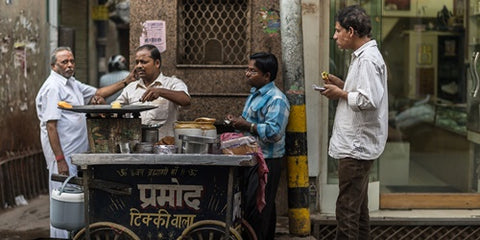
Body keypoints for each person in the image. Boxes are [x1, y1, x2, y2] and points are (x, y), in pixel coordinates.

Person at [35, 46, 136, 238]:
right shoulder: (53, 87)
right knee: (62, 199)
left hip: (75, 154)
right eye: (64, 62)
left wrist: (126, 81)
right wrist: (60, 159)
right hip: (63, 155)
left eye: (71, 61)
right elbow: (51, 126)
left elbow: (98, 92)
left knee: (74, 199)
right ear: (53, 66)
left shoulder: (71, 83)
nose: (70, 65)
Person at [318, 5, 388, 240]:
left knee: (347, 210)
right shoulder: (363, 57)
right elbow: (363, 92)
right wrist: (343, 85)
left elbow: (369, 100)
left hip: (356, 148)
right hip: (357, 146)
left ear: (351, 31)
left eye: (338, 31)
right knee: (357, 210)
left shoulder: (367, 59)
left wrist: (340, 93)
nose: (335, 36)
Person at [225, 52, 290, 240]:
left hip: (267, 162)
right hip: (252, 159)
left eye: (252, 71)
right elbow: (249, 121)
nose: (247, 73)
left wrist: (248, 126)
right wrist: (237, 122)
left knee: (259, 211)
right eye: (247, 69)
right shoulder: (255, 94)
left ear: (267, 75)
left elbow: (274, 133)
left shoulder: (277, 99)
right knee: (257, 208)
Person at [115, 44, 191, 138]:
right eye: (137, 62)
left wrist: (161, 92)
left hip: (163, 146)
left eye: (143, 62)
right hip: (136, 146)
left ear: (157, 63)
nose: (139, 66)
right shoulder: (130, 88)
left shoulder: (172, 83)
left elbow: (186, 100)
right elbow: (115, 108)